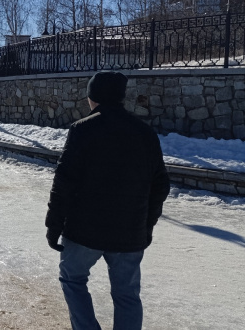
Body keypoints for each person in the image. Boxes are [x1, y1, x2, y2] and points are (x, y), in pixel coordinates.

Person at [45, 71, 170, 330]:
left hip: (84, 231)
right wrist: (146, 225)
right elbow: (161, 185)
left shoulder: (83, 129)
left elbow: (64, 182)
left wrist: (54, 225)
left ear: (93, 97)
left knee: (73, 280)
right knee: (127, 295)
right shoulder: (145, 133)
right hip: (130, 232)